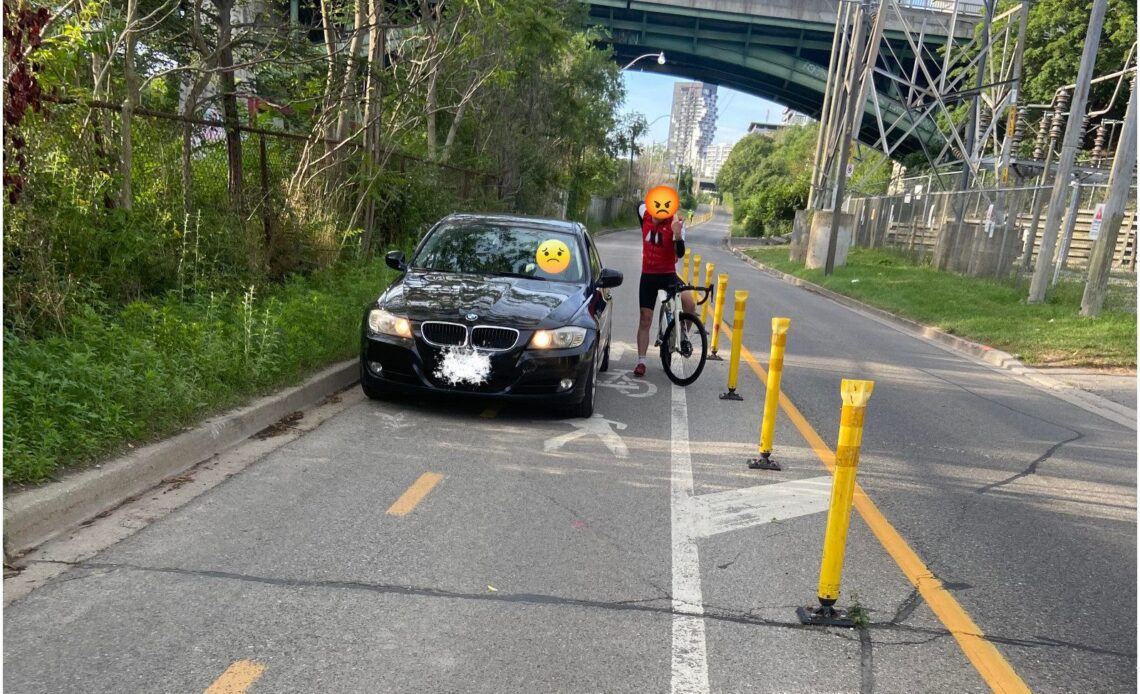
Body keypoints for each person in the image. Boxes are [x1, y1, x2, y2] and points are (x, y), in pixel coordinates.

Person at [634, 203, 695, 377]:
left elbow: (680, 253)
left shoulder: (675, 223)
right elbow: (638, 204)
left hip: (668, 274)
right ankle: (641, 361)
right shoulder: (645, 215)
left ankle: (683, 337)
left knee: (689, 302)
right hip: (648, 275)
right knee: (645, 319)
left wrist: (677, 234)